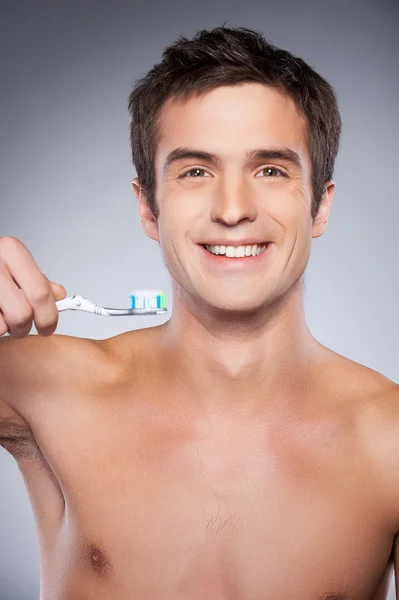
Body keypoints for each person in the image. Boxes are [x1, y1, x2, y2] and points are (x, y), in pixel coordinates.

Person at [0, 25, 398, 600]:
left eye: (270, 170)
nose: (233, 209)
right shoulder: (47, 386)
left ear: (321, 205)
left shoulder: (388, 441)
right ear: (148, 208)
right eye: (195, 171)